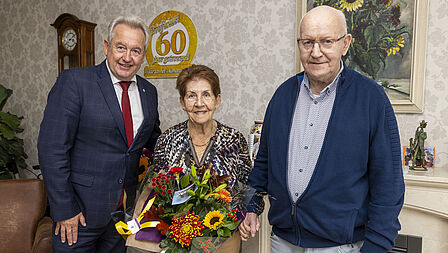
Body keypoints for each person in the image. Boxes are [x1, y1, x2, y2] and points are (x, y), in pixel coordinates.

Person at [240, 6, 404, 253]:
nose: (316, 52)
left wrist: (377, 246)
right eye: (308, 42)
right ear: (299, 44)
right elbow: (263, 162)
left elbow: (388, 184)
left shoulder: (372, 98)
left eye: (326, 41)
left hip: (341, 246)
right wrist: (251, 206)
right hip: (283, 241)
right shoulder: (282, 96)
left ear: (345, 44)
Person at [38, 15, 161, 252]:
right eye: (121, 47)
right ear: (106, 47)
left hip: (121, 217)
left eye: (136, 50)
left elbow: (154, 140)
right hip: (77, 217)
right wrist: (65, 210)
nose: (127, 57)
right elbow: (52, 149)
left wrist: (193, 145)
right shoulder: (75, 83)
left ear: (143, 56)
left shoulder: (149, 92)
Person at [130, 64, 252, 253]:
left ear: (217, 99)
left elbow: (250, 185)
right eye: (191, 95)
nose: (199, 103)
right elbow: (155, 188)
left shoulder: (233, 140)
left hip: (222, 240)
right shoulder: (168, 140)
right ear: (182, 101)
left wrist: (249, 213)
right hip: (177, 240)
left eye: (206, 95)